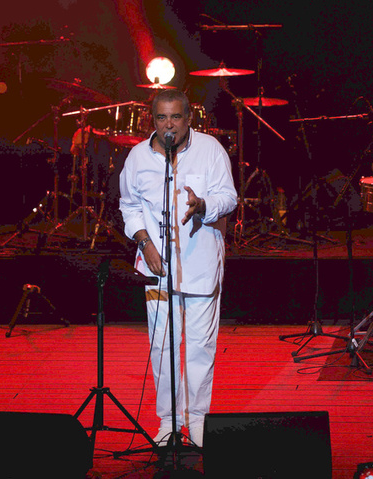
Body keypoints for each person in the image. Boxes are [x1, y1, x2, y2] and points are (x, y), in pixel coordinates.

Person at [119, 89, 237, 448]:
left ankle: (197, 420)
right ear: (151, 120)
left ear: (188, 119)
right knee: (162, 346)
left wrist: (203, 205)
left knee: (200, 345)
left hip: (201, 262)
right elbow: (129, 205)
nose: (169, 126)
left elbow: (229, 197)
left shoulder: (210, 150)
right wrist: (144, 242)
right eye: (161, 118)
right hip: (156, 266)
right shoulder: (138, 157)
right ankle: (169, 422)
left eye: (176, 118)